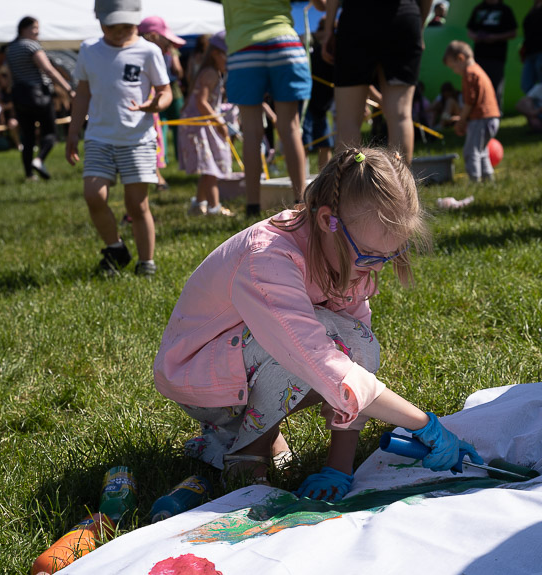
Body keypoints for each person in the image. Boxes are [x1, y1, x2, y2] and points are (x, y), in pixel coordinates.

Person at [153, 147, 481, 500]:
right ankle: (245, 455)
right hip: (197, 376)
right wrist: (422, 424)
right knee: (308, 345)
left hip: (242, 366)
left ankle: (246, 433)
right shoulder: (269, 257)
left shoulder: (349, 255)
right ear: (328, 221)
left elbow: (358, 357)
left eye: (392, 256)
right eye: (372, 255)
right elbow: (316, 359)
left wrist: (339, 467)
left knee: (357, 340)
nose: (379, 268)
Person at [65, 0, 172, 276]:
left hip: (137, 139)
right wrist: (73, 133)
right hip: (99, 137)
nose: (118, 32)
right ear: (99, 21)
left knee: (137, 205)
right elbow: (83, 95)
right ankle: (115, 247)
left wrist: (156, 104)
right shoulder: (90, 50)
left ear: (137, 21)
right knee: (94, 195)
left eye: (126, 26)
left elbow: (166, 91)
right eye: (112, 26)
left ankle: (146, 262)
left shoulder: (148, 51)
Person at [221, 0, 314, 217]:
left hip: (244, 46)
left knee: (251, 133)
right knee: (290, 129)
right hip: (285, 44)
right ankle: (301, 203)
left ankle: (252, 207)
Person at [322, 0, 433, 165]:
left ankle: (349, 188)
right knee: (401, 116)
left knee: (348, 121)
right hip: (404, 17)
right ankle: (400, 189)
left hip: (357, 19)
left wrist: (328, 30)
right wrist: (419, 25)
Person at [6, 16, 75, 181]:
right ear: (24, 29)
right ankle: (39, 159)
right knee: (50, 133)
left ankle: (29, 174)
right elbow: (48, 70)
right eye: (34, 28)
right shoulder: (31, 46)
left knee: (27, 136)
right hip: (39, 95)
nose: (37, 31)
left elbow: (10, 77)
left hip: (20, 97)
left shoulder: (11, 48)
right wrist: (68, 88)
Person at [178, 30, 233, 217]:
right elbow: (202, 103)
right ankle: (214, 207)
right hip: (200, 126)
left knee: (208, 166)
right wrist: (219, 122)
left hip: (203, 124)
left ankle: (198, 204)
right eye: (229, 56)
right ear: (216, 54)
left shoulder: (214, 72)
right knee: (211, 169)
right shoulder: (210, 73)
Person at [139, 15, 186, 192]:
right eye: (164, 38)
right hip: (144, 106)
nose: (168, 44)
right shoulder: (147, 54)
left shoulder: (159, 53)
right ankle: (156, 178)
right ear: (153, 36)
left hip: (153, 104)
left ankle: (157, 176)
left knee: (156, 136)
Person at [443, 41, 500, 183]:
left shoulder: (469, 74)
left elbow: (470, 102)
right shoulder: (478, 70)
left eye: (453, 66)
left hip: (481, 119)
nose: (454, 71)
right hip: (493, 118)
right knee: (482, 151)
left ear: (460, 58)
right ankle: (488, 178)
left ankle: (475, 181)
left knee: (471, 152)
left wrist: (462, 121)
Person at [466, 0, 518, 109]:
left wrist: (494, 37)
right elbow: (470, 30)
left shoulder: (504, 9)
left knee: (495, 86)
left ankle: (495, 114)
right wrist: (476, 37)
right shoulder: (479, 8)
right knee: (477, 85)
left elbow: (513, 32)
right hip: (479, 55)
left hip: (496, 56)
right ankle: (480, 113)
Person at [303, 16, 335, 170]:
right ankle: (302, 178)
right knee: (304, 142)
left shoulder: (334, 52)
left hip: (322, 107)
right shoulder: (313, 49)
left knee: (325, 143)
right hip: (306, 104)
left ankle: (325, 178)